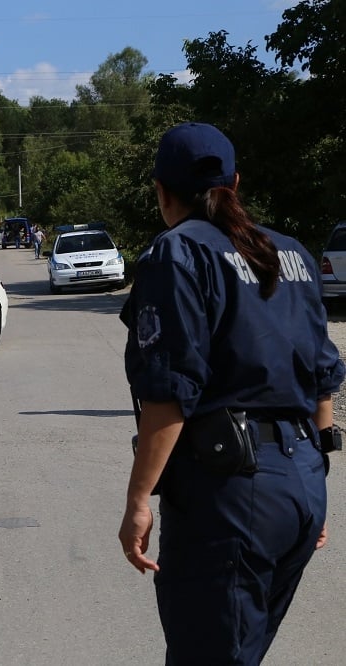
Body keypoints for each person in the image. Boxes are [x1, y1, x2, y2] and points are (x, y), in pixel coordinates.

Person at [117, 122, 344, 665]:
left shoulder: (176, 254)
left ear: (161, 192)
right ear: (235, 182)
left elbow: (170, 393)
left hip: (231, 494)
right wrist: (307, 486)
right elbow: (322, 377)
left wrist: (137, 500)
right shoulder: (290, 253)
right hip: (300, 484)